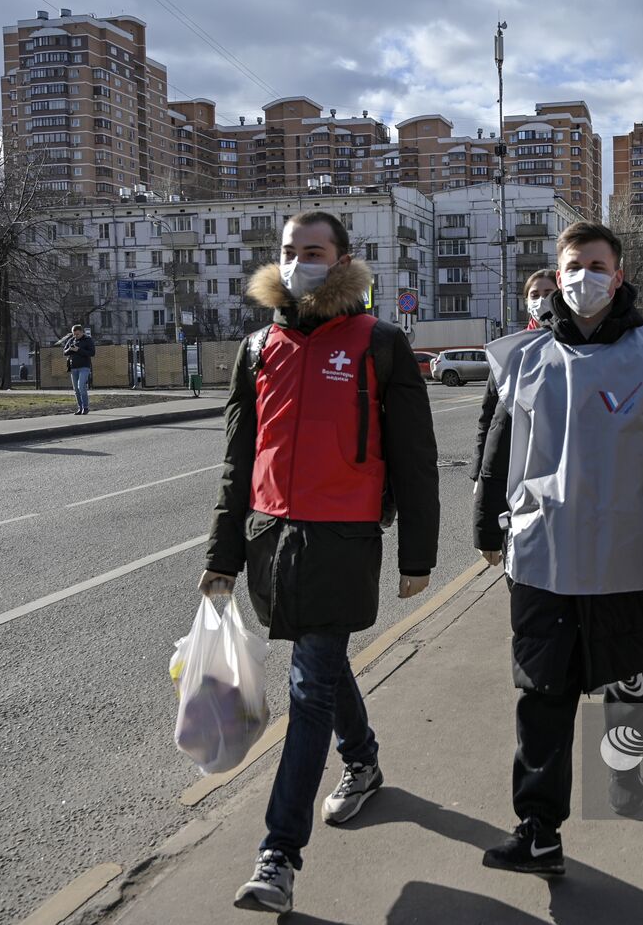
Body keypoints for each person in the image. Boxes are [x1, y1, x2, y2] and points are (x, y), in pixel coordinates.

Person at [200, 210, 440, 914]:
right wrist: (222, 555)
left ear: (342, 260)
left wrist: (418, 554)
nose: (300, 261)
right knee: (320, 665)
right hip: (271, 539)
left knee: (308, 687)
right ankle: (363, 759)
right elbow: (237, 461)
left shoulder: (381, 343)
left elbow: (416, 460)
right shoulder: (258, 348)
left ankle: (278, 853)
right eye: (289, 250)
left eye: (314, 250)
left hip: (343, 541)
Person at [474, 221, 643, 875]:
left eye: (598, 264)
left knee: (627, 678)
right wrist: (482, 526)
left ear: (619, 274)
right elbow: (498, 450)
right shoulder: (524, 358)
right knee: (542, 691)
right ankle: (539, 827)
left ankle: (626, 769)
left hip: (627, 556)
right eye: (574, 264)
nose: (585, 276)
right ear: (557, 277)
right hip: (543, 557)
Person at [468, 269, 559, 483]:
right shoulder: (511, 349)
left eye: (548, 292)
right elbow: (488, 414)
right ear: (526, 302)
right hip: (505, 459)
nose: (541, 300)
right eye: (534, 295)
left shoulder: (574, 345)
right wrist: (478, 469)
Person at [60, 324, 96, 414]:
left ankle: (86, 407)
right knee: (76, 389)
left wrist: (78, 350)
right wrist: (70, 349)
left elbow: (92, 353)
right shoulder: (71, 340)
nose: (75, 336)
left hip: (84, 367)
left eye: (77, 334)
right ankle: (80, 408)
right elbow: (64, 352)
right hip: (73, 367)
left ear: (82, 332)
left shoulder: (88, 340)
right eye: (74, 334)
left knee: (81, 386)